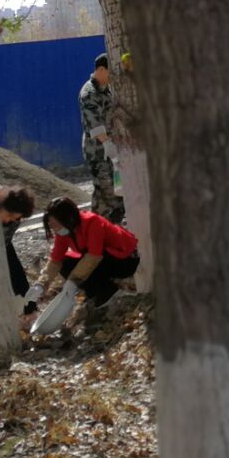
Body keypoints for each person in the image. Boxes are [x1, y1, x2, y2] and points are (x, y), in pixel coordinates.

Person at [32, 196, 142, 314]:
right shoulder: (64, 232)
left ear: (68, 219)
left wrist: (73, 280)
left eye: (56, 225)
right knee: (66, 262)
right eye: (52, 226)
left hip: (125, 260)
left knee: (90, 259)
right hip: (103, 259)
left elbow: (94, 256)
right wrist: (42, 284)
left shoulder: (92, 223)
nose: (55, 229)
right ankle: (98, 292)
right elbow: (55, 260)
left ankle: (109, 291)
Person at [78, 55, 123, 222]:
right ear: (101, 69)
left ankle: (96, 225)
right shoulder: (89, 93)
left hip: (110, 148)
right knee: (109, 191)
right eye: (111, 71)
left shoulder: (107, 89)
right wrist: (108, 144)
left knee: (103, 194)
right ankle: (103, 225)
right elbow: (94, 124)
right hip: (98, 151)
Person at [0, 185, 39, 334]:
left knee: (16, 274)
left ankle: (30, 312)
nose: (9, 220)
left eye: (14, 218)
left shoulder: (13, 221)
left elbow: (5, 247)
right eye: (8, 215)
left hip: (2, 244)